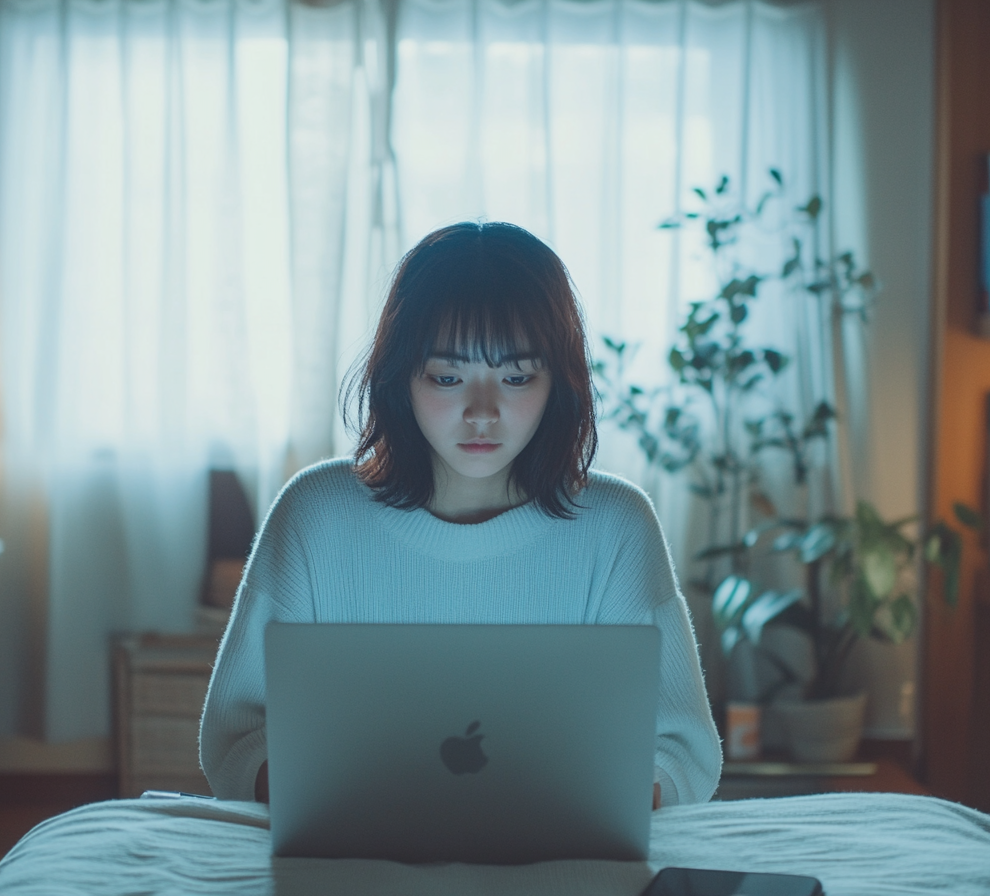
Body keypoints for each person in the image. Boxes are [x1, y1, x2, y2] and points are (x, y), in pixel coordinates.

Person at [199, 221, 722, 808]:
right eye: (447, 377)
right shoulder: (314, 516)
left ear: (560, 383)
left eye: (517, 377)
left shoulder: (617, 527)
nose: (482, 412)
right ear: (401, 377)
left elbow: (681, 750)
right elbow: (238, 735)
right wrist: (342, 802)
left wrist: (589, 805)